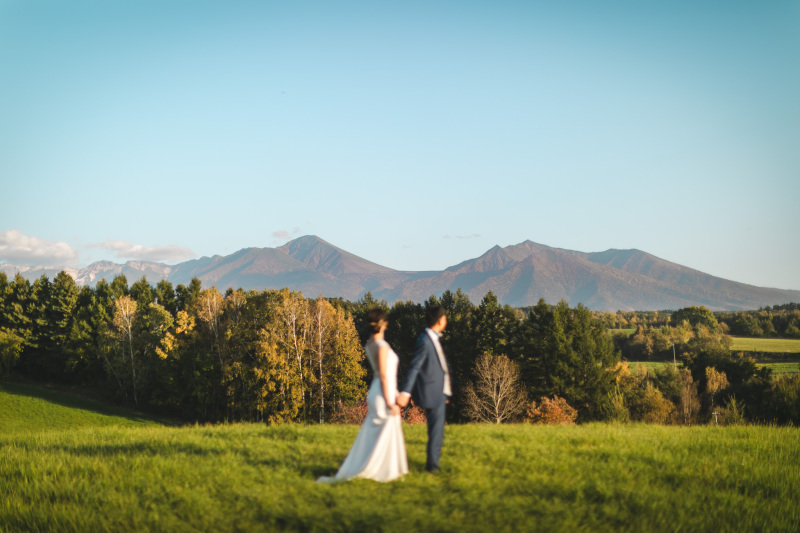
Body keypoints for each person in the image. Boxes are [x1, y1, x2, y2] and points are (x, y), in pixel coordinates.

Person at [318, 308, 408, 483]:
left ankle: (380, 467)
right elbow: (384, 374)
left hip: (378, 389)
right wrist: (391, 401)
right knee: (384, 428)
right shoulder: (381, 347)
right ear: (384, 324)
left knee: (378, 430)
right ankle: (379, 469)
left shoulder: (369, 345)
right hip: (383, 391)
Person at [397, 305, 451, 473]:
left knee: (437, 430)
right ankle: (432, 467)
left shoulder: (432, 338)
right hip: (431, 392)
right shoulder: (425, 341)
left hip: (438, 392)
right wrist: (406, 392)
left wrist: (445, 391)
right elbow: (415, 367)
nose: (446, 321)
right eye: (445, 318)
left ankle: (432, 464)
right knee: (436, 431)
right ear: (440, 320)